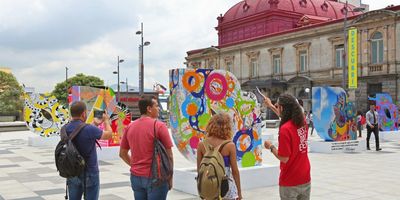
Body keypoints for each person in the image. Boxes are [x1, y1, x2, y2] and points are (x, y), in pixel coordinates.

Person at [119, 96, 174, 200]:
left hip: (136, 177)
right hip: (156, 177)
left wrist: (135, 166)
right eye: (156, 106)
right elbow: (169, 155)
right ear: (149, 109)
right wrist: (170, 177)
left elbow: (122, 153)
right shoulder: (159, 126)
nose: (159, 108)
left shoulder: (130, 127)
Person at [263, 94, 311, 200]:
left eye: (277, 105)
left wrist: (271, 147)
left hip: (290, 179)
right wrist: (270, 105)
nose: (276, 106)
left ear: (283, 108)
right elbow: (284, 116)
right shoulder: (302, 121)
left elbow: (284, 158)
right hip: (305, 175)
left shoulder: (285, 129)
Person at [65, 101, 113, 200]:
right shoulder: (89, 129)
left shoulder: (65, 128)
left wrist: (95, 123)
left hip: (72, 171)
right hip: (89, 172)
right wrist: (106, 121)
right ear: (83, 113)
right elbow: (108, 135)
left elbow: (82, 132)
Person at [197, 113, 242, 200]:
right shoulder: (230, 145)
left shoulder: (202, 144)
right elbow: (235, 171)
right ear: (227, 127)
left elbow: (199, 170)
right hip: (226, 188)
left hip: (209, 186)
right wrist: (239, 192)